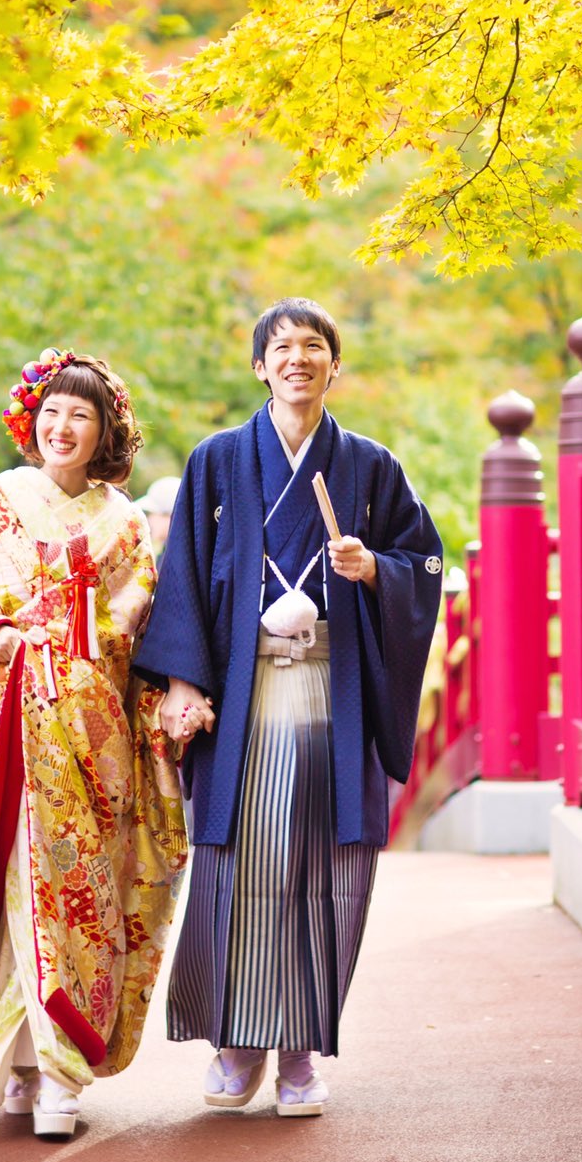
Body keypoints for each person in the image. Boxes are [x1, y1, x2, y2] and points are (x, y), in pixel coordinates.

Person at [135, 298, 444, 1117]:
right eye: (282, 347)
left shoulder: (371, 464)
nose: (298, 358)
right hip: (243, 694)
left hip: (331, 693)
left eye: (314, 346)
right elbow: (183, 575)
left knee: (322, 869)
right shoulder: (216, 461)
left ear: (335, 366)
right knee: (240, 864)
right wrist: (183, 683)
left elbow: (424, 561)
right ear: (259, 367)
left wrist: (375, 569)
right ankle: (238, 1043)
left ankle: (301, 1051)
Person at [0, 350, 187, 1140]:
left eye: (81, 415)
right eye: (51, 412)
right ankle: (22, 1061)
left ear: (106, 432)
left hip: (88, 735)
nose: (63, 427)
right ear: (31, 421)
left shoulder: (124, 524)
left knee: (77, 890)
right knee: (11, 883)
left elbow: (139, 635)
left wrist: (149, 695)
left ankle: (61, 1071)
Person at [136, 475, 181, 555]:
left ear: (170, 515)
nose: (149, 519)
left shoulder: (179, 554)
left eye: (152, 513)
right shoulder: (168, 551)